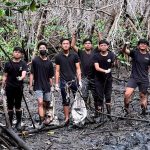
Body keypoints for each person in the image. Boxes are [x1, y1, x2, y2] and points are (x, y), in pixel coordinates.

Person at [71, 31, 102, 109]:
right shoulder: (81, 52)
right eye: (86, 43)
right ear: (84, 45)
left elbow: (101, 44)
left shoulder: (95, 52)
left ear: (91, 45)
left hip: (94, 78)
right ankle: (85, 113)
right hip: (84, 78)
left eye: (89, 43)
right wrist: (74, 36)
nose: (88, 44)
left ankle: (97, 113)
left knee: (96, 96)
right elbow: (72, 45)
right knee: (84, 96)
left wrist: (99, 35)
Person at [55, 38, 82, 125]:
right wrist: (56, 83)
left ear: (70, 45)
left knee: (77, 99)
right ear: (61, 45)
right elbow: (57, 71)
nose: (66, 45)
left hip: (74, 80)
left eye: (67, 43)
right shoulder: (58, 56)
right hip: (63, 81)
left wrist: (80, 80)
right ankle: (67, 118)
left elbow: (78, 69)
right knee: (65, 100)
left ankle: (78, 118)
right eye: (64, 43)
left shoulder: (74, 55)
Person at [1, 47, 27, 130]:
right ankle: (10, 123)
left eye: (19, 52)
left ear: (21, 54)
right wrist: (2, 87)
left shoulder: (23, 63)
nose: (17, 53)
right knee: (10, 106)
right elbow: (5, 75)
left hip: (19, 87)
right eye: (15, 52)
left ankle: (18, 123)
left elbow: (24, 73)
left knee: (18, 105)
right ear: (13, 53)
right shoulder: (8, 63)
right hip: (9, 87)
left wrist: (21, 77)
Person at [29, 41, 54, 127]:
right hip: (38, 85)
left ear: (46, 49)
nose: (42, 50)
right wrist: (30, 85)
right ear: (38, 50)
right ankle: (41, 120)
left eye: (43, 48)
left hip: (46, 86)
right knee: (40, 102)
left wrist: (52, 86)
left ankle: (46, 117)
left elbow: (50, 76)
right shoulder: (35, 60)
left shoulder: (49, 63)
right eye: (40, 48)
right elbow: (32, 73)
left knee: (46, 102)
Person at [122, 39, 150, 115]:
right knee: (127, 94)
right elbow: (124, 51)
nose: (142, 45)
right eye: (141, 44)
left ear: (147, 46)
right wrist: (125, 45)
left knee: (142, 96)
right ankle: (126, 109)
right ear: (138, 45)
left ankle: (143, 111)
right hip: (134, 78)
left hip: (144, 79)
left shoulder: (149, 56)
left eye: (144, 44)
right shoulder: (135, 53)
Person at [93, 40, 116, 118]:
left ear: (108, 46)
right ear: (99, 46)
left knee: (108, 97)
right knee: (100, 97)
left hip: (108, 79)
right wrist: (105, 71)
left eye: (105, 45)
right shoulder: (96, 55)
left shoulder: (111, 54)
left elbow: (113, 64)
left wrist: (114, 63)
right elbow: (97, 67)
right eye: (101, 45)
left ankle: (109, 114)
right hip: (98, 79)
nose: (103, 47)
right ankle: (100, 115)